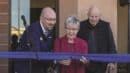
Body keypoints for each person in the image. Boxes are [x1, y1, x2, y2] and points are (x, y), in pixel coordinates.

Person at [15, 7, 56, 73]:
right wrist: (55, 59)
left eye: (54, 20)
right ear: (41, 18)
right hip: (25, 68)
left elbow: (49, 49)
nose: (52, 22)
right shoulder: (33, 30)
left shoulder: (50, 30)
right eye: (49, 19)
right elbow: (37, 54)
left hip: (38, 67)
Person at [78, 6, 117, 73]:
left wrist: (111, 61)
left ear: (100, 16)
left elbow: (111, 45)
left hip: (101, 64)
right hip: (85, 64)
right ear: (88, 15)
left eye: (96, 16)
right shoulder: (81, 25)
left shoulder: (106, 26)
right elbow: (77, 44)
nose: (94, 19)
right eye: (91, 16)